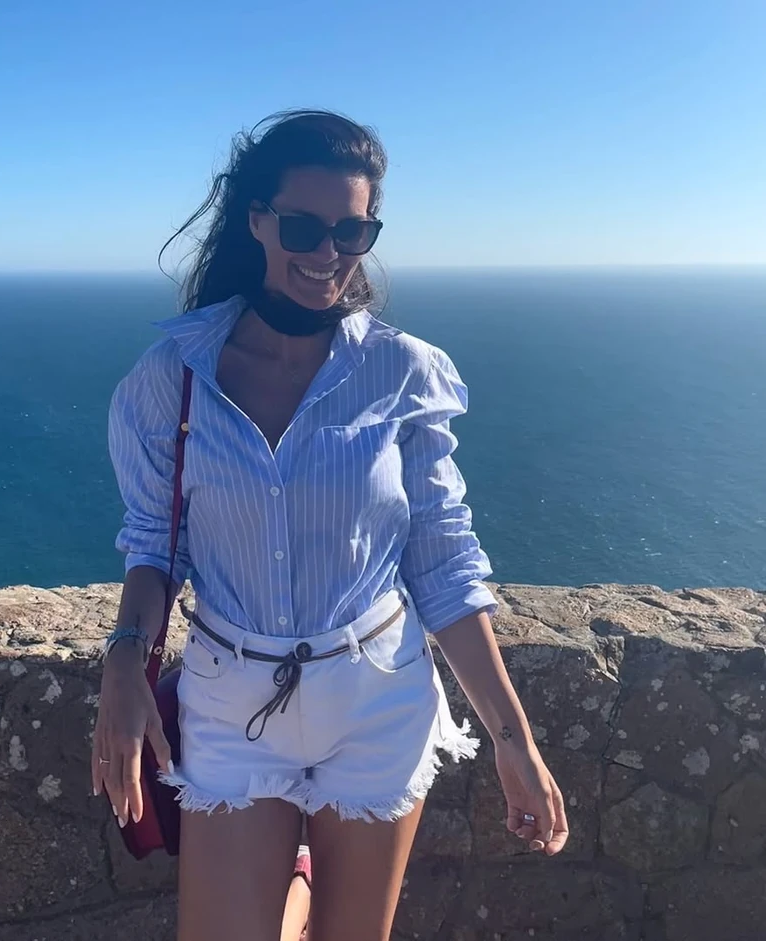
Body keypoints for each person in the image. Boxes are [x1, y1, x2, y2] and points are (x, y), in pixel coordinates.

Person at [92, 109, 568, 941]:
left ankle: (299, 890)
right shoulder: (174, 376)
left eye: (352, 231)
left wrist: (513, 740)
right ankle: (295, 890)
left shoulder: (403, 371)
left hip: (375, 697)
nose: (328, 253)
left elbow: (443, 565)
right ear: (257, 221)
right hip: (232, 699)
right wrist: (125, 662)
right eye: (303, 228)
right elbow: (154, 545)